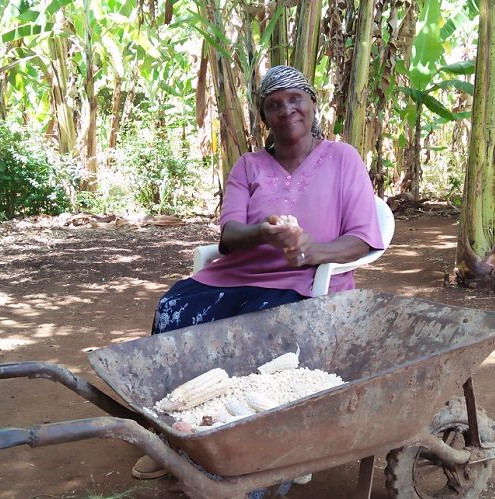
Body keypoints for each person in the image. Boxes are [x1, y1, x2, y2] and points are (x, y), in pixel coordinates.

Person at [133, 65, 386, 481]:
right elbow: (229, 235)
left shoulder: (343, 159)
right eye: (274, 105)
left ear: (312, 103)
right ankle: (175, 432)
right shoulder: (248, 166)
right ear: (264, 116)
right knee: (172, 309)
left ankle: (251, 451)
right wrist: (264, 233)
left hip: (304, 281)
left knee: (257, 331)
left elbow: (362, 239)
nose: (286, 110)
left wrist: (310, 252)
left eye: (295, 99)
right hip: (236, 275)